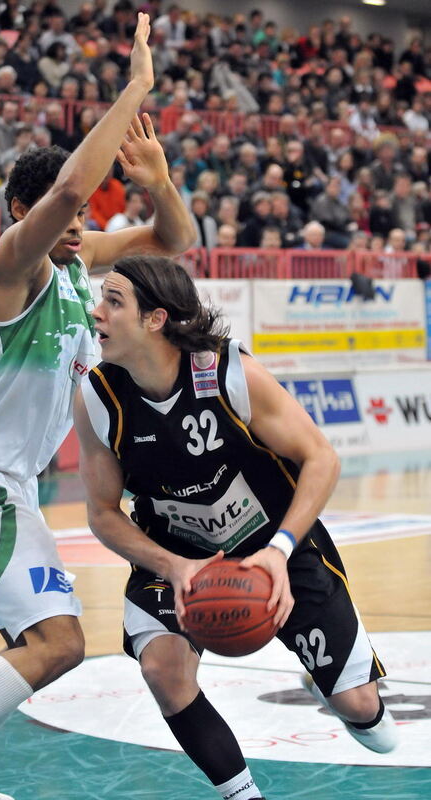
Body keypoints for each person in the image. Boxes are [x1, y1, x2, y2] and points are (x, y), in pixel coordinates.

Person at [0, 15, 195, 800]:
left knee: (32, 640)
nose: (77, 225)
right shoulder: (11, 268)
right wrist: (136, 85)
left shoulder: (80, 258)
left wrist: (160, 180)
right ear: (20, 213)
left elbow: (173, 240)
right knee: (59, 643)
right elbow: (71, 184)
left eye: (80, 220)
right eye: (61, 217)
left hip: (6, 485)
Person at [75, 255, 397, 800]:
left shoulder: (228, 372)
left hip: (275, 539)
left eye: (113, 301)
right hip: (175, 549)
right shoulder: (97, 398)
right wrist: (174, 565)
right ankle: (243, 796)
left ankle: (347, 699)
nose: (96, 312)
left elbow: (321, 458)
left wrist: (278, 551)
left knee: (363, 711)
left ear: (155, 319)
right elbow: (102, 514)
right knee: (162, 670)